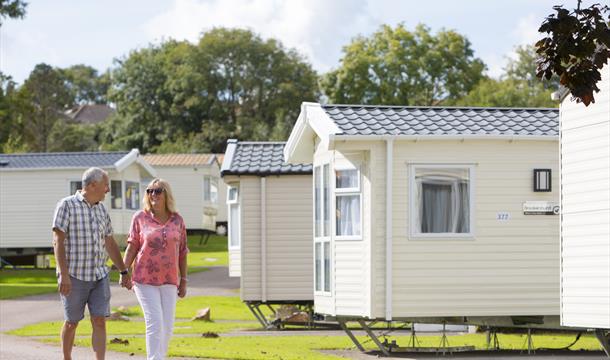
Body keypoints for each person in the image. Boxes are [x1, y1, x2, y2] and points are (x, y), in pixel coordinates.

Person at [52, 167, 132, 360]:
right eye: (106, 185)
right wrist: (63, 274)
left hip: (99, 275)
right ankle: (67, 358)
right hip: (74, 276)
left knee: (99, 321)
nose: (108, 190)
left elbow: (110, 242)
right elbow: (58, 241)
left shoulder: (102, 209)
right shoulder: (66, 205)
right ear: (93, 185)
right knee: (72, 322)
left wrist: (123, 270)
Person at [123, 178, 188, 360]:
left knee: (167, 326)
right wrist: (124, 270)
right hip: (144, 279)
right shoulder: (140, 218)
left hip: (169, 280)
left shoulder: (177, 220)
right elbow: (132, 246)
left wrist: (184, 281)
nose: (153, 194)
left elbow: (182, 252)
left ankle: (160, 357)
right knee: (155, 321)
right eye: (150, 191)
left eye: (158, 191)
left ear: (166, 194)